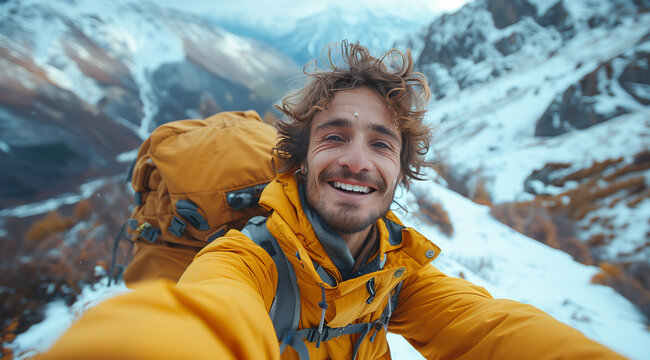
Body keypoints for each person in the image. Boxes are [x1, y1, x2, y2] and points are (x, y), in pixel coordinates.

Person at [40, 42, 623, 360]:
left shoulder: (400, 273)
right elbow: (208, 318)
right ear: (299, 161)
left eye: (381, 144)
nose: (357, 161)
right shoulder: (247, 261)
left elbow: (489, 329)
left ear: (401, 170)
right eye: (334, 136)